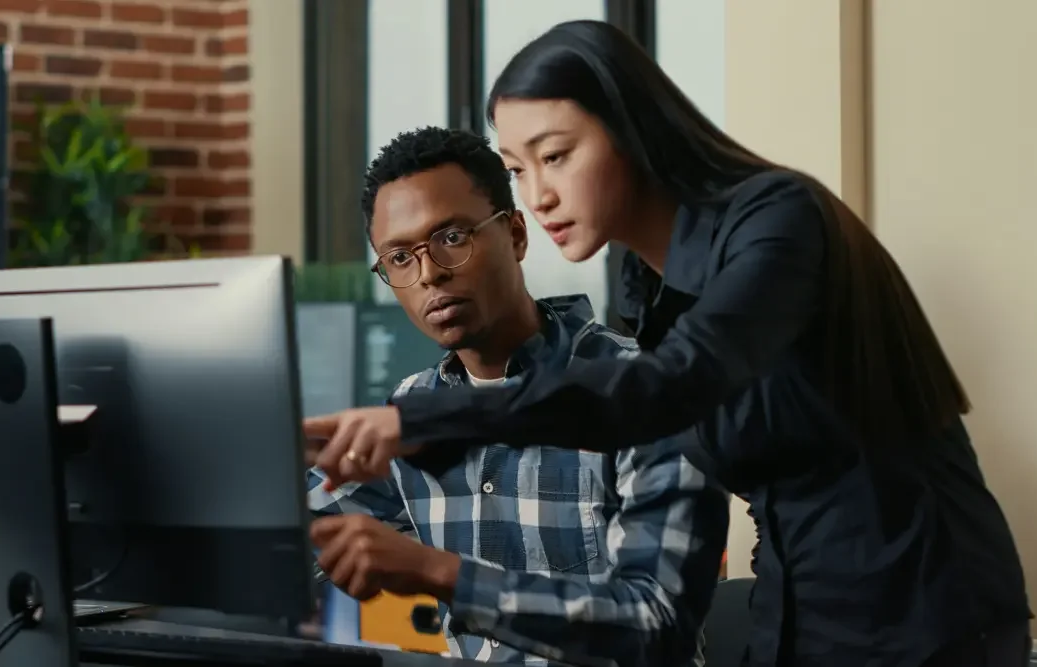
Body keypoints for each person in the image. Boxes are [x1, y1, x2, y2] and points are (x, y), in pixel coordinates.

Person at [305, 20, 1031, 667]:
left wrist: (417, 426)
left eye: (556, 156)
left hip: (929, 615)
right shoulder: (646, 288)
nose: (539, 196)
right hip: (802, 610)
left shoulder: (778, 221)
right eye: (520, 169)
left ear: (632, 130)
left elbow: (665, 391)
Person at [306, 126, 728, 667]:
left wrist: (435, 571)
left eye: (452, 238)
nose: (430, 273)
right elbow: (290, 536)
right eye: (400, 258)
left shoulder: (641, 389)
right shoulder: (409, 408)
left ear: (516, 236)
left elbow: (653, 630)